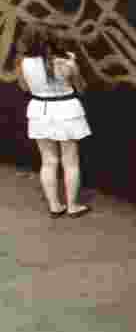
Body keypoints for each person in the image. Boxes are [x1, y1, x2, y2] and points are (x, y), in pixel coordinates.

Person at [14, 23, 92, 219]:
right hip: (67, 110)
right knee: (70, 162)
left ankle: (55, 205)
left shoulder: (22, 62)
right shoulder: (67, 60)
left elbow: (25, 88)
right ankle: (73, 206)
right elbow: (81, 87)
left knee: (48, 161)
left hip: (39, 111)